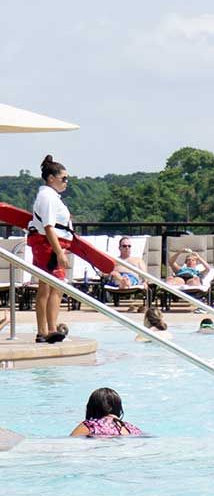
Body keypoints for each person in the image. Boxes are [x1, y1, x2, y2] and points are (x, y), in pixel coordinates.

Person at [27, 155, 73, 343]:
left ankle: (43, 331)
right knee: (56, 286)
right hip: (48, 247)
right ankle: (51, 329)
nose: (66, 182)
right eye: (64, 178)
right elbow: (48, 227)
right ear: (51, 178)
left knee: (46, 288)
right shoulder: (48, 197)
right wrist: (60, 252)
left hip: (46, 245)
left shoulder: (48, 196)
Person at [69, 388, 143, 437]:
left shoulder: (91, 426)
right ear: (118, 408)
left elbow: (71, 443)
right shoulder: (132, 429)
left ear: (92, 407)